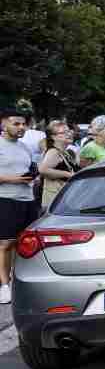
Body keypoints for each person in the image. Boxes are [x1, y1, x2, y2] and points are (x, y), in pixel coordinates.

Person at [0, 108, 37, 305]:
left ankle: (17, 282)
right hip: (5, 198)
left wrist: (32, 175)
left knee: (24, 243)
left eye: (23, 124)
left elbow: (28, 170)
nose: (21, 127)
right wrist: (13, 180)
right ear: (3, 124)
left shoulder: (24, 147)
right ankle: (4, 286)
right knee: (5, 244)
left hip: (27, 198)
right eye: (16, 123)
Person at [38, 121, 78, 210]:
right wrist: (68, 175)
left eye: (69, 131)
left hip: (62, 201)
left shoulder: (64, 152)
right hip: (55, 202)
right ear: (53, 137)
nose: (69, 134)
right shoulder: (54, 152)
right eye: (63, 133)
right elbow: (43, 170)